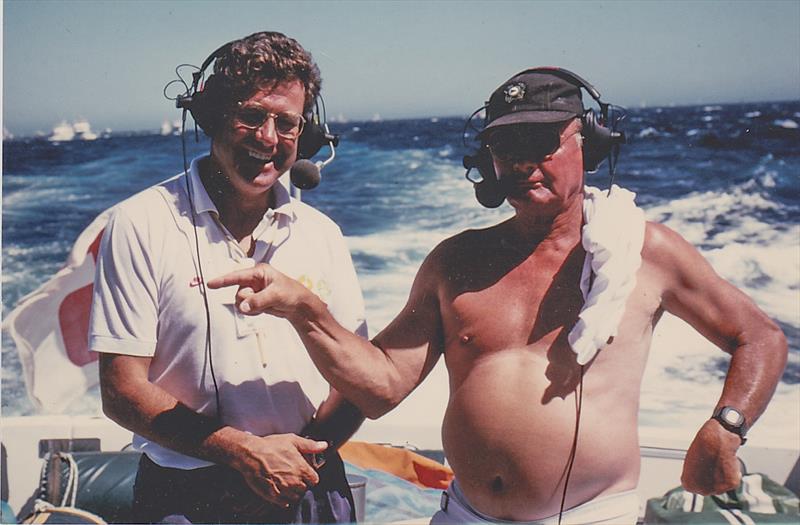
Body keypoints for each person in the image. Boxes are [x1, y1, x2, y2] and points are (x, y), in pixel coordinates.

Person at [208, 69, 788, 524]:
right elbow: (382, 387)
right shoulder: (455, 261)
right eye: (507, 146)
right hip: (463, 514)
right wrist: (304, 310)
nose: (524, 163)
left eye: (542, 141)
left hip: (591, 517)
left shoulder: (647, 251)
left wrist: (725, 425)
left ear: (589, 143)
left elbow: (758, 335)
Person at [89, 31, 367, 524]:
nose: (267, 138)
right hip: (185, 497)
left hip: (307, 481)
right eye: (252, 116)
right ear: (210, 116)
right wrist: (239, 452)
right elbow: (121, 389)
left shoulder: (323, 235)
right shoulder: (138, 224)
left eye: (287, 123)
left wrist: (298, 464)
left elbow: (355, 378)